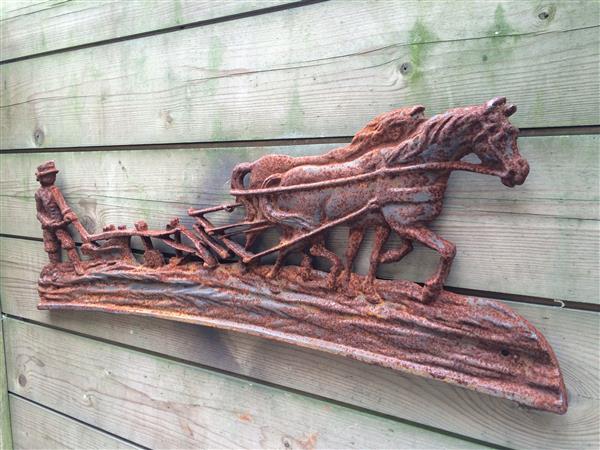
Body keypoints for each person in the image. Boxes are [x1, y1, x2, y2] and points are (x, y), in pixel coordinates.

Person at [34, 161, 83, 274]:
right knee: (51, 247)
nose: (53, 177)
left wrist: (66, 215)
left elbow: (63, 206)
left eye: (53, 175)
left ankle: (77, 265)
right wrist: (46, 221)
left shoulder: (55, 191)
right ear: (41, 178)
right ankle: (55, 267)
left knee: (68, 244)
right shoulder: (39, 194)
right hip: (48, 226)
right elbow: (39, 212)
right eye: (49, 175)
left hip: (59, 224)